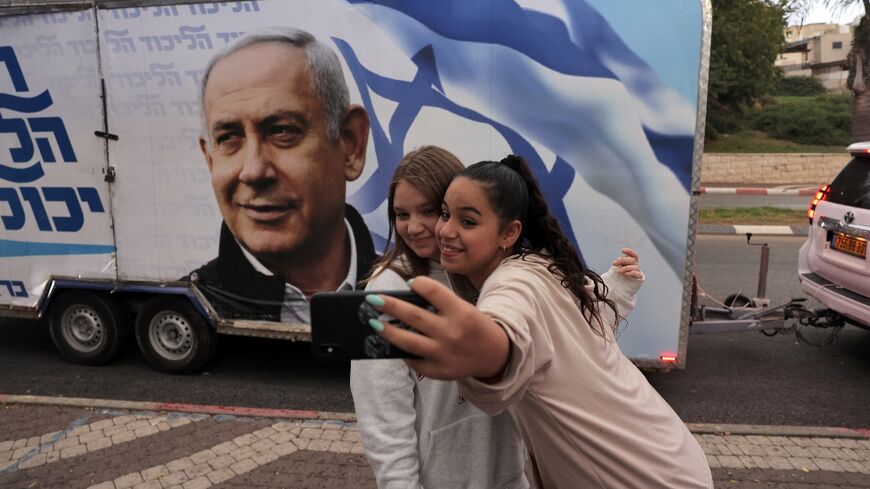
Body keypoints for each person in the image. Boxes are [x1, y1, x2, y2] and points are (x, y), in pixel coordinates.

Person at [364, 155, 713, 488]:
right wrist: (616, 290)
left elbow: (509, 332)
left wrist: (488, 357)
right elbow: (566, 338)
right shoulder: (536, 267)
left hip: (635, 477)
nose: (440, 229)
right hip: (667, 459)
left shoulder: (509, 283)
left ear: (508, 232)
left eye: (466, 220)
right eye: (445, 214)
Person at [189, 26, 377, 323]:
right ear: (210, 158)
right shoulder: (192, 309)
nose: (253, 171)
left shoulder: (417, 297)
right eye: (228, 138)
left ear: (350, 144)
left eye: (281, 131)